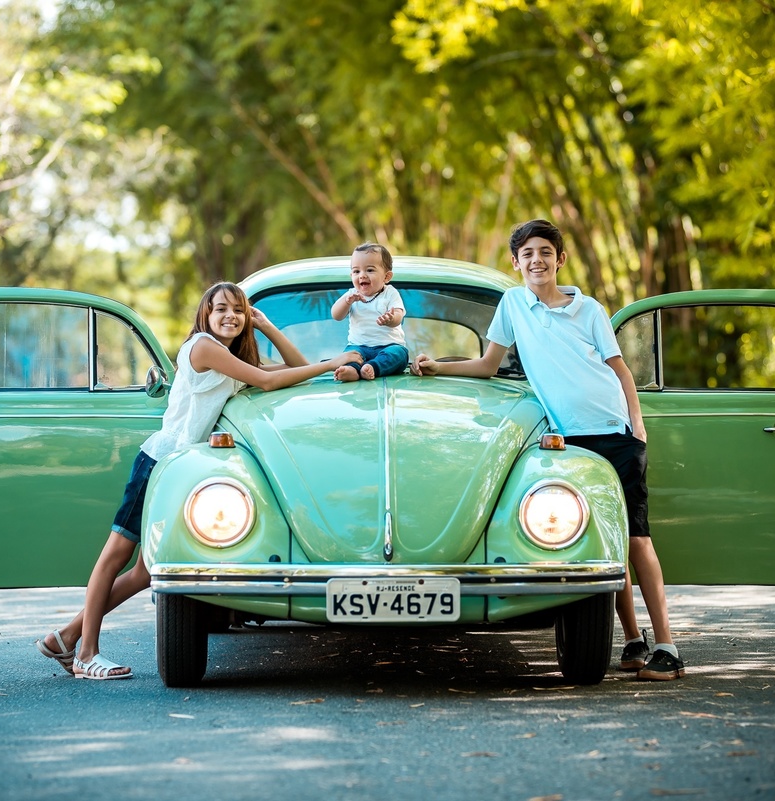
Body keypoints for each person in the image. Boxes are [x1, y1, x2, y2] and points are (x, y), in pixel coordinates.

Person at [36, 282, 362, 680]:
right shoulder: (204, 347)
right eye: (221, 308)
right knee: (115, 555)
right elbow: (271, 381)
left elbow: (296, 368)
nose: (231, 316)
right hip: (159, 460)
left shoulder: (231, 359)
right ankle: (86, 653)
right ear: (205, 315)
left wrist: (267, 327)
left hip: (182, 468)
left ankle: (65, 637)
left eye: (238, 311)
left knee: (142, 572)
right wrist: (333, 363)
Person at [410, 219, 684, 681]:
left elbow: (618, 370)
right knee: (603, 542)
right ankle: (632, 641)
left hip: (612, 431)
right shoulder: (513, 304)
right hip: (565, 439)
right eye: (527, 254)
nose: (536, 260)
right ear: (515, 263)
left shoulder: (589, 309)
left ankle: (667, 646)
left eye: (544, 252)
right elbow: (487, 364)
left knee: (637, 538)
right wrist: (438, 367)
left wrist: (637, 427)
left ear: (560, 259)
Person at [330, 242, 408, 381]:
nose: (362, 275)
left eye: (370, 270)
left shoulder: (390, 293)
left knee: (399, 354)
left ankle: (372, 367)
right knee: (349, 355)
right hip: (359, 346)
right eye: (356, 271)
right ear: (351, 275)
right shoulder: (352, 294)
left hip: (388, 346)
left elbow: (399, 314)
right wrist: (347, 302)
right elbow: (335, 315)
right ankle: (352, 370)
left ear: (386, 277)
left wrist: (391, 319)